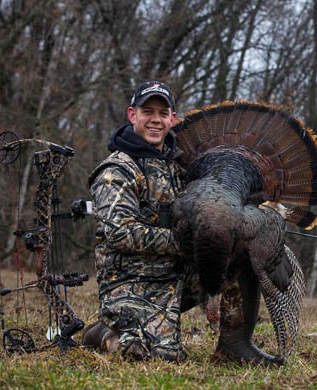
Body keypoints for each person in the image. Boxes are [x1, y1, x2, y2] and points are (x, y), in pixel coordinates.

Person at [83, 81, 200, 361]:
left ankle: (235, 344)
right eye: (148, 111)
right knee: (149, 355)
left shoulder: (178, 168)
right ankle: (102, 332)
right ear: (133, 115)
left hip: (172, 277)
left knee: (236, 253)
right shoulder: (117, 169)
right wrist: (183, 241)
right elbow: (121, 233)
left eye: (163, 113)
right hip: (128, 280)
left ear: (172, 119)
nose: (156, 120)